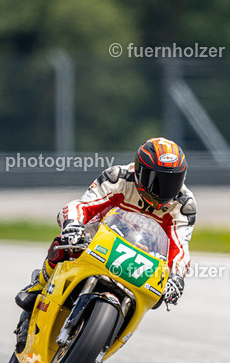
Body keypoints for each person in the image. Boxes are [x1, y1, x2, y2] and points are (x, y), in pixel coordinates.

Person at [14, 137, 196, 349]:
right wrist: (72, 225)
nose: (164, 190)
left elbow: (180, 248)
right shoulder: (118, 178)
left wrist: (176, 278)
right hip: (99, 237)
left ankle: (112, 331)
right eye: (157, 180)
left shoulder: (184, 205)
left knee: (156, 296)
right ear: (139, 171)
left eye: (172, 181)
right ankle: (38, 288)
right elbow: (82, 205)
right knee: (65, 245)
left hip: (144, 255)